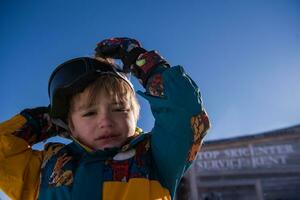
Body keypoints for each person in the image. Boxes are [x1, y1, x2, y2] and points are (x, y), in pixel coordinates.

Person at [0, 37, 210, 200]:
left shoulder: (155, 157)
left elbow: (186, 113)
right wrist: (47, 119)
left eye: (119, 109)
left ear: (135, 116)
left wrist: (142, 61)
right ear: (69, 124)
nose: (106, 121)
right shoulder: (45, 169)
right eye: (89, 113)